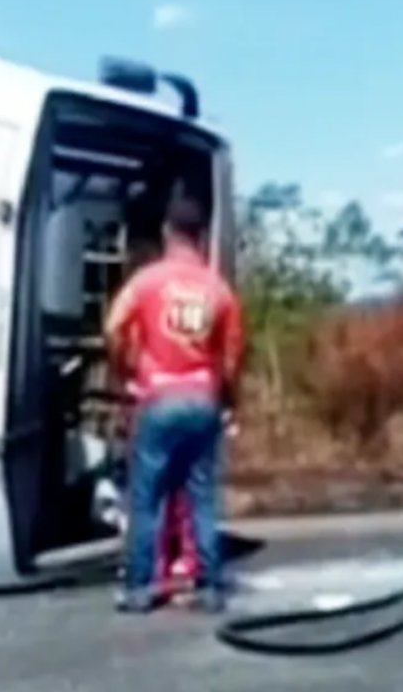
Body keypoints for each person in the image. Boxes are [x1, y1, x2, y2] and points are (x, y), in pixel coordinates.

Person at [104, 191, 245, 614]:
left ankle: (142, 588)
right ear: (201, 237)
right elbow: (233, 357)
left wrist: (124, 369)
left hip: (159, 397)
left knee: (148, 496)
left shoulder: (147, 282)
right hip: (202, 399)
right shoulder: (218, 290)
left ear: (168, 232)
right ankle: (209, 587)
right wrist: (227, 399)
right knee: (202, 496)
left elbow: (114, 326)